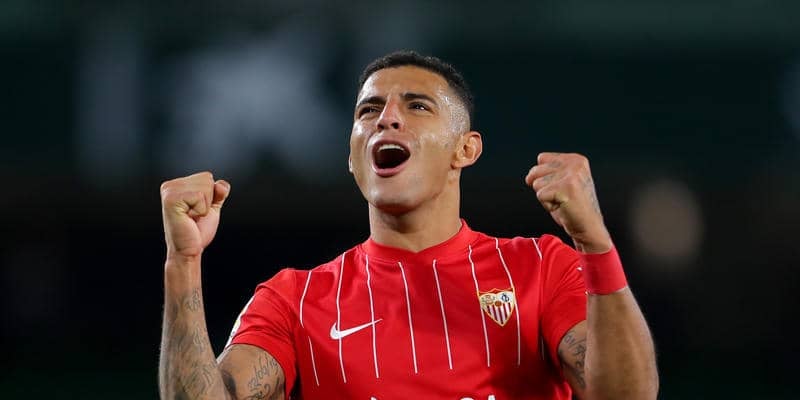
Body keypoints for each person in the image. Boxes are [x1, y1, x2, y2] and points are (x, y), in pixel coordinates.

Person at [158, 50, 658, 400]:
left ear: (466, 149)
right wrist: (183, 262)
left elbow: (627, 396)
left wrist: (594, 243)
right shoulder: (293, 300)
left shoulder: (541, 268)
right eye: (369, 109)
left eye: (417, 106)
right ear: (352, 158)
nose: (387, 118)